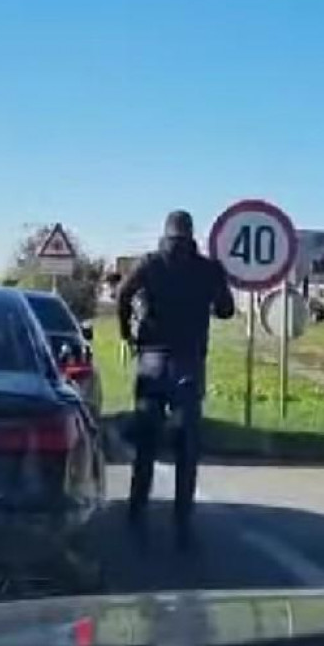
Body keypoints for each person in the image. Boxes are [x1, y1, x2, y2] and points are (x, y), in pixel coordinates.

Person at [116, 209, 234, 545]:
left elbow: (123, 293)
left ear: (165, 232)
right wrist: (210, 296)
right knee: (187, 445)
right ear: (191, 233)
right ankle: (182, 518)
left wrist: (128, 333)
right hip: (188, 363)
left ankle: (137, 509)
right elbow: (226, 310)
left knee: (146, 441)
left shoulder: (150, 263)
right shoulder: (208, 268)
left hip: (152, 360)